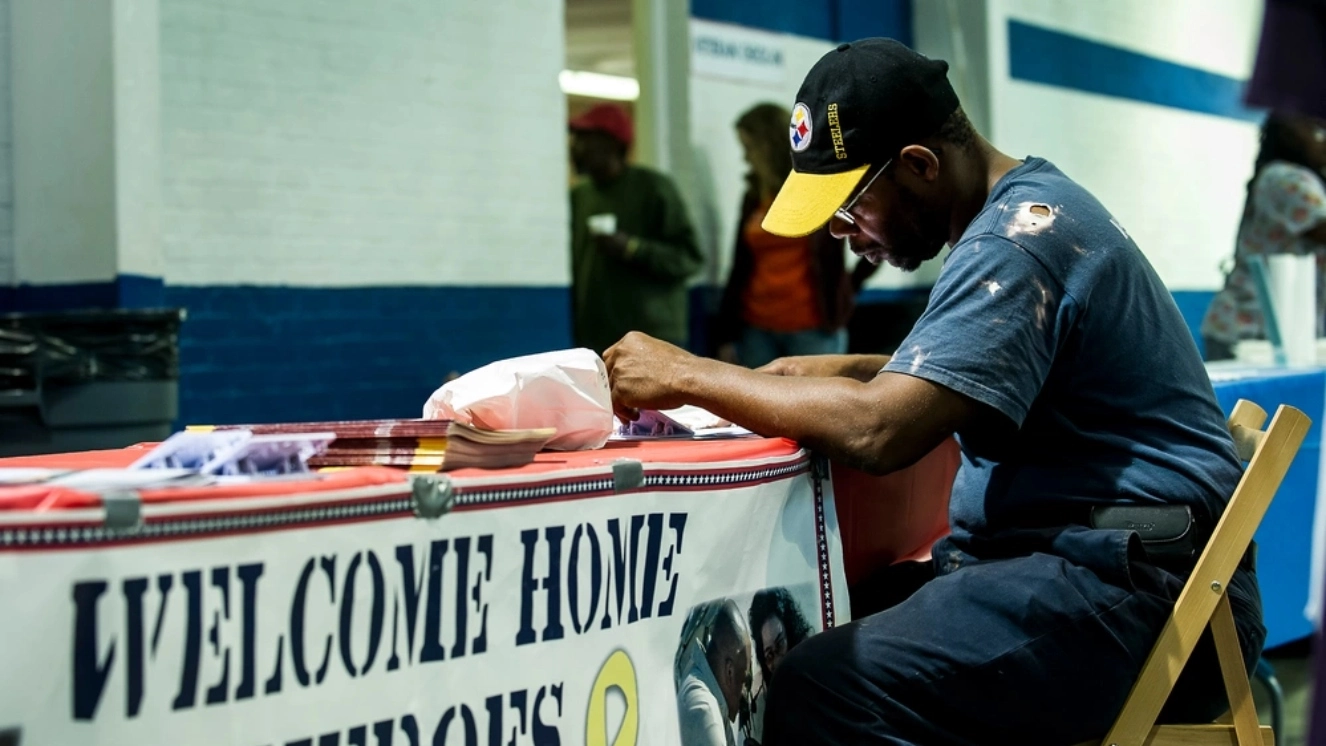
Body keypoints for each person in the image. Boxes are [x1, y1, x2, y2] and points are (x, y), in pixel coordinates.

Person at [603, 39, 1264, 745]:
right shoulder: (1025, 215)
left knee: (822, 686)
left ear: (919, 166)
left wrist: (688, 373)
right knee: (827, 617)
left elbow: (881, 432)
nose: (840, 232)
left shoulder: (1016, 243)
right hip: (1101, 565)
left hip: (1137, 596)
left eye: (851, 205)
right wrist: (841, 372)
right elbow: (959, 372)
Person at [714, 103, 878, 368]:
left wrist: (849, 289)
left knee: (817, 406)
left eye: (749, 148)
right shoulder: (754, 196)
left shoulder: (816, 189)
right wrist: (725, 333)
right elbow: (740, 265)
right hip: (756, 327)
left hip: (812, 329)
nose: (745, 158)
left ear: (769, 144)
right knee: (756, 406)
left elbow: (871, 234)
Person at [568, 103, 704, 354]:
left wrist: (632, 248)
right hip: (596, 339)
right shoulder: (578, 197)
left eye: (586, 139)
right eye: (575, 138)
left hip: (652, 338)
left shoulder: (653, 188)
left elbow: (689, 258)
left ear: (614, 144)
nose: (575, 147)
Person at [1201, 112, 1326, 360]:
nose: (1322, 141)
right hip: (1249, 333)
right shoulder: (1285, 178)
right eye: (1317, 132)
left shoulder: (1303, 179)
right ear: (1289, 136)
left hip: (1273, 331)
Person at [676, 599, 751, 746]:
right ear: (729, 672)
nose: (744, 695)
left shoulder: (712, 695)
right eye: (744, 682)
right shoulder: (705, 712)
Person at [745, 588, 812, 746]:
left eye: (780, 644)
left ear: (791, 633)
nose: (778, 661)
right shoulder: (762, 701)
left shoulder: (815, 671)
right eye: (769, 654)